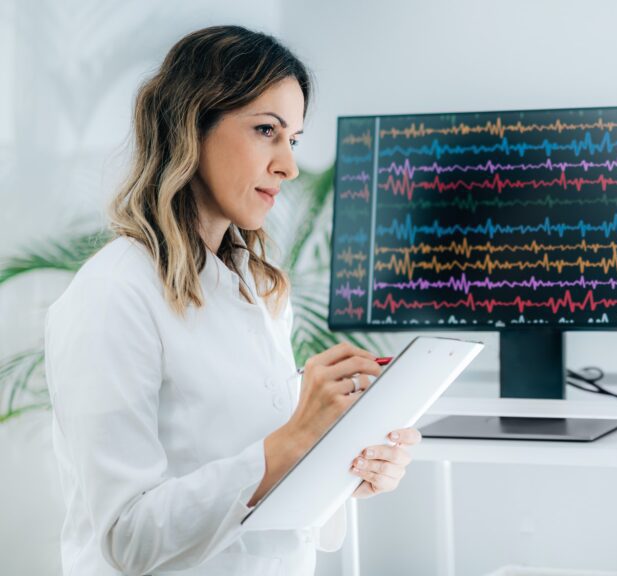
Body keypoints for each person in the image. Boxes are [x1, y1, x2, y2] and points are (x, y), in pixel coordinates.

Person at [43, 25, 419, 575]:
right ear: (190, 127)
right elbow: (125, 540)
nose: (288, 166)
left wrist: (344, 466)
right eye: (266, 130)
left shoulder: (260, 290)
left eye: (292, 139)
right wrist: (291, 442)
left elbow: (258, 484)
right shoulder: (112, 296)